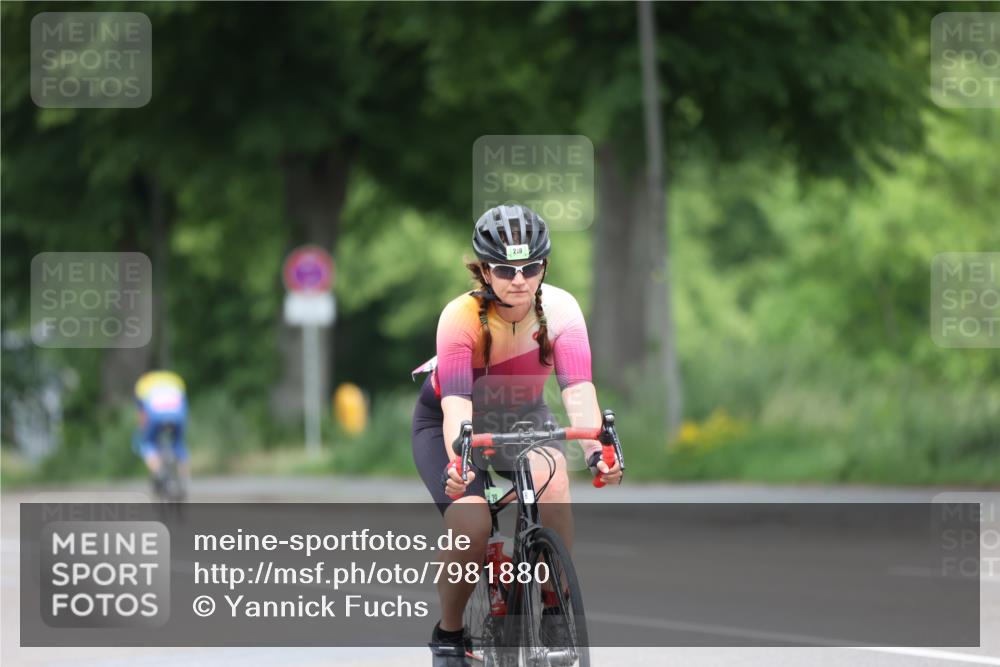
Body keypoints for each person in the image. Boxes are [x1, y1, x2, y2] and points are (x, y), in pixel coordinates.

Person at [411, 204, 623, 666]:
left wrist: (596, 449)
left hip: (523, 416)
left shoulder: (561, 310)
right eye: (505, 270)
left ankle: (554, 603)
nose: (519, 279)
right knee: (472, 528)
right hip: (452, 420)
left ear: (544, 266)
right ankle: (449, 634)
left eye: (531, 268)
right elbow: (456, 405)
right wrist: (459, 463)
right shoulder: (461, 316)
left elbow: (578, 389)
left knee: (555, 481)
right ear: (485, 271)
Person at [133, 370, 189, 498]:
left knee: (149, 443)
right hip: (177, 415)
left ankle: (158, 472)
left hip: (155, 416)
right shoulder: (175, 379)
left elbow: (142, 414)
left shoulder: (143, 384)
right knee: (179, 445)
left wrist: (141, 430)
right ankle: (184, 479)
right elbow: (184, 404)